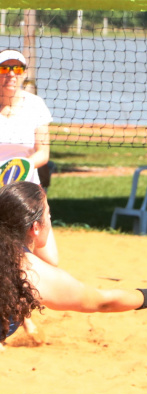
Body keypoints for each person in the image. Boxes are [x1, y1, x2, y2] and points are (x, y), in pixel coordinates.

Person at [0, 180, 147, 394]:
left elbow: (51, 256)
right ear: (35, 227)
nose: (52, 219)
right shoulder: (32, 274)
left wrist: (32, 199)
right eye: (49, 214)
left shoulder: (27, 263)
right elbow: (103, 301)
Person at [0, 49, 58, 266]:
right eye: (5, 68)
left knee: (51, 260)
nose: (11, 74)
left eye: (17, 68)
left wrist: (19, 167)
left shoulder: (35, 104)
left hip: (26, 189)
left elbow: (43, 153)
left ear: (24, 73)